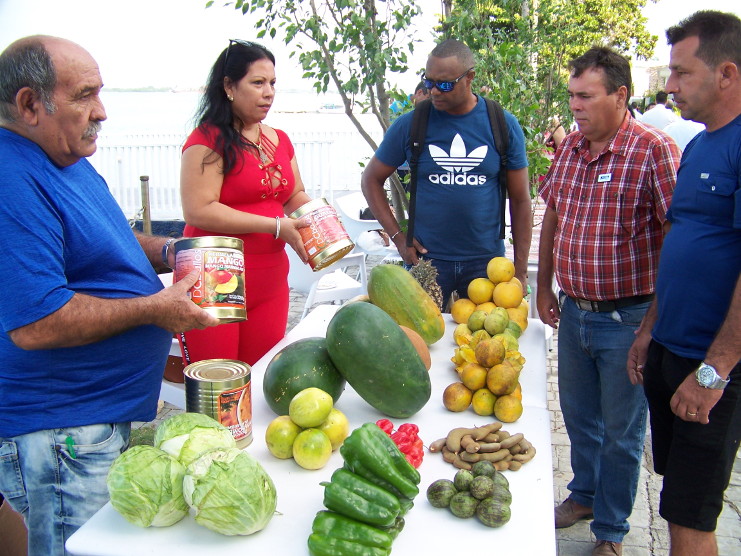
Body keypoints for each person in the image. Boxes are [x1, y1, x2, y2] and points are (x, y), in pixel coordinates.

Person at [0, 36, 219, 555]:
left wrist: (169, 251)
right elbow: (38, 323)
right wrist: (158, 308)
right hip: (61, 431)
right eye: (84, 95)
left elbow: (105, 241)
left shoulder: (62, 157)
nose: (101, 111)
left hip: (93, 418)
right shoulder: (11, 178)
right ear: (31, 104)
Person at [536, 46, 681, 556]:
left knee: (622, 432)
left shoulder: (653, 150)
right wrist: (542, 287)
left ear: (620, 95)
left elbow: (677, 239)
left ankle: (611, 532)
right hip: (575, 310)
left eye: (585, 96)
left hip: (629, 318)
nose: (575, 106)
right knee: (578, 417)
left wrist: (649, 329)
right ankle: (583, 495)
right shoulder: (572, 147)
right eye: (572, 95)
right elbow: (552, 214)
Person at [626, 10, 741, 556]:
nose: (669, 85)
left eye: (681, 72)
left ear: (727, 74)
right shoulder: (698, 145)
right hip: (672, 349)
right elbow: (678, 243)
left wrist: (716, 370)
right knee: (675, 504)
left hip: (711, 365)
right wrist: (651, 328)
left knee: (693, 516)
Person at [361, 39, 531, 306]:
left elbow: (521, 200)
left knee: (485, 345)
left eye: (444, 84)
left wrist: (520, 270)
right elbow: (370, 179)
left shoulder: (501, 124)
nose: (434, 92)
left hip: (485, 264)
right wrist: (398, 237)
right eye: (428, 82)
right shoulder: (412, 124)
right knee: (421, 343)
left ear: (469, 78)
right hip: (426, 260)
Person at [179, 40, 313, 366]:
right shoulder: (206, 140)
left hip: (270, 277)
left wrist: (322, 221)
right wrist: (276, 226)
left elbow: (294, 194)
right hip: (214, 271)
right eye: (257, 83)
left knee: (261, 375)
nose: (268, 92)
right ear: (228, 86)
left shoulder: (278, 138)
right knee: (222, 386)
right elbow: (199, 209)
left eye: (272, 83)